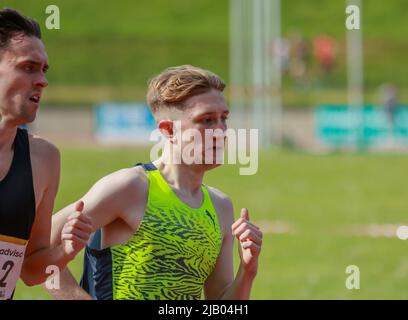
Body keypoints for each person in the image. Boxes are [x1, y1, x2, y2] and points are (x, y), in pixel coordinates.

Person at [48, 65, 263, 300]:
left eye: (224, 118)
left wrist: (247, 270)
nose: (221, 131)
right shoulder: (130, 187)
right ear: (169, 130)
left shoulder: (221, 206)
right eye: (207, 120)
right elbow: (40, 245)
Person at [0, 8, 92, 300]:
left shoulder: (44, 159)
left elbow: (30, 269)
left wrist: (65, 250)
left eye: (44, 70)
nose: (42, 80)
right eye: (28, 67)